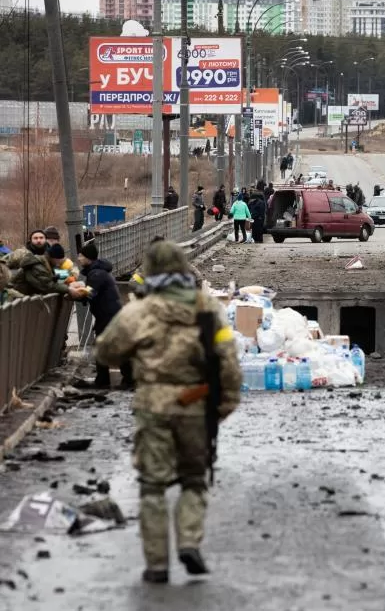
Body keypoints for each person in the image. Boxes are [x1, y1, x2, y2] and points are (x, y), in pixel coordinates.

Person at [95, 240, 241, 584]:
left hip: (153, 405)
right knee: (194, 479)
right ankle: (189, 541)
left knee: (152, 486)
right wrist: (224, 405)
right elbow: (228, 361)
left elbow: (105, 353)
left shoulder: (139, 311)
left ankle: (157, 564)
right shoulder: (207, 307)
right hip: (196, 402)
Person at [75, 242, 134, 390]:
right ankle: (123, 379)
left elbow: (90, 293)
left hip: (108, 316)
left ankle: (109, 380)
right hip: (109, 315)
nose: (78, 258)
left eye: (81, 255)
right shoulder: (97, 271)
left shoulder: (96, 274)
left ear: (88, 257)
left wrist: (72, 294)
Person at [8, 238, 85, 298]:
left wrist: (71, 283)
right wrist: (68, 289)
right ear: (53, 257)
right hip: (15, 297)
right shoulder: (37, 266)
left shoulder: (49, 265)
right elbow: (47, 286)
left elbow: (57, 278)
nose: (60, 263)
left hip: (23, 299)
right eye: (59, 260)